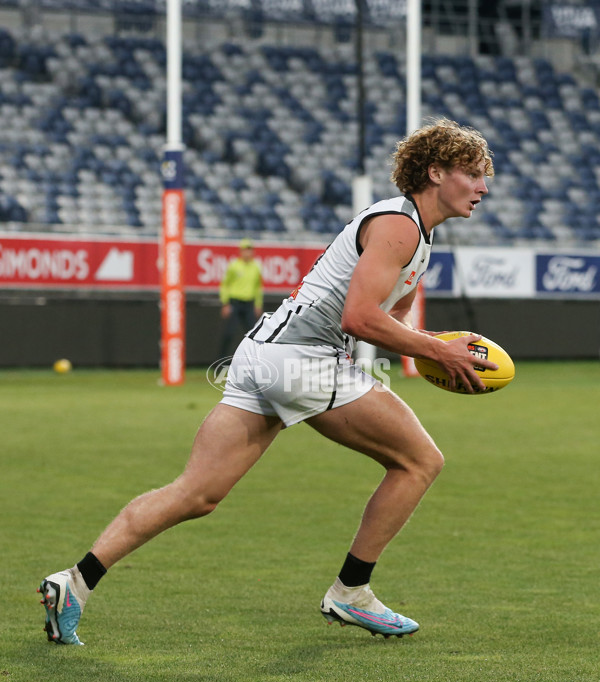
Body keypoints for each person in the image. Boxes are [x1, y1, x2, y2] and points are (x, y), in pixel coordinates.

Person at [38, 118, 497, 645]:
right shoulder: (401, 227)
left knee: (197, 493)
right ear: (435, 172)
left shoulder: (416, 236)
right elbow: (359, 320)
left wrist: (440, 352)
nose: (483, 187)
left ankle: (74, 584)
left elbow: (391, 321)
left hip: (264, 353)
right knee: (421, 461)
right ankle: (351, 591)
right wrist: (438, 349)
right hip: (304, 357)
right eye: (474, 173)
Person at [218, 237, 263, 359]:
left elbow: (258, 287)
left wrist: (257, 304)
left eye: (250, 249)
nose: (248, 252)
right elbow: (225, 285)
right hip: (235, 303)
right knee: (229, 333)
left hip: (249, 304)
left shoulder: (256, 267)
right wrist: (225, 303)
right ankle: (220, 362)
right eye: (245, 250)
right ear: (241, 251)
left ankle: (255, 361)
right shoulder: (234, 266)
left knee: (254, 335)